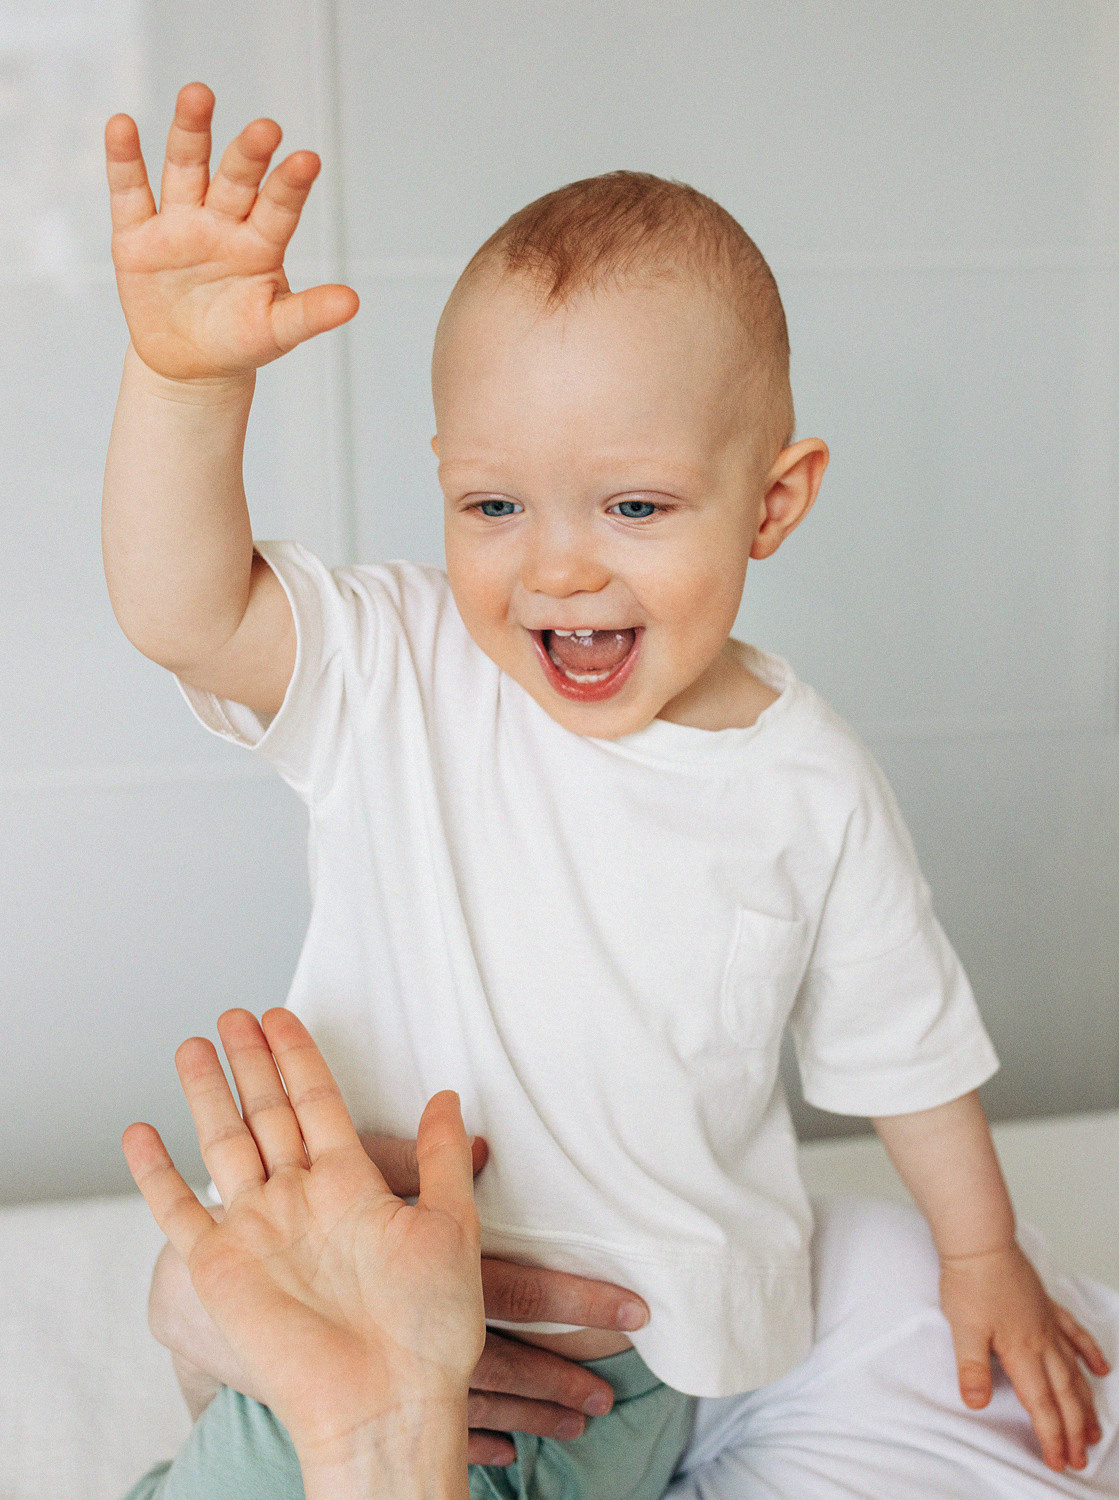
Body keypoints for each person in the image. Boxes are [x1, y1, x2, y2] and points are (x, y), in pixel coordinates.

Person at [104, 81, 1109, 1500]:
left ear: (774, 501)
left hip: (607, 1358)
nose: (557, 566)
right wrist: (186, 384)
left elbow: (911, 1049)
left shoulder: (805, 782)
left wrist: (982, 1256)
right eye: (492, 506)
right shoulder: (401, 665)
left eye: (633, 507)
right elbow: (182, 610)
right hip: (328, 1284)